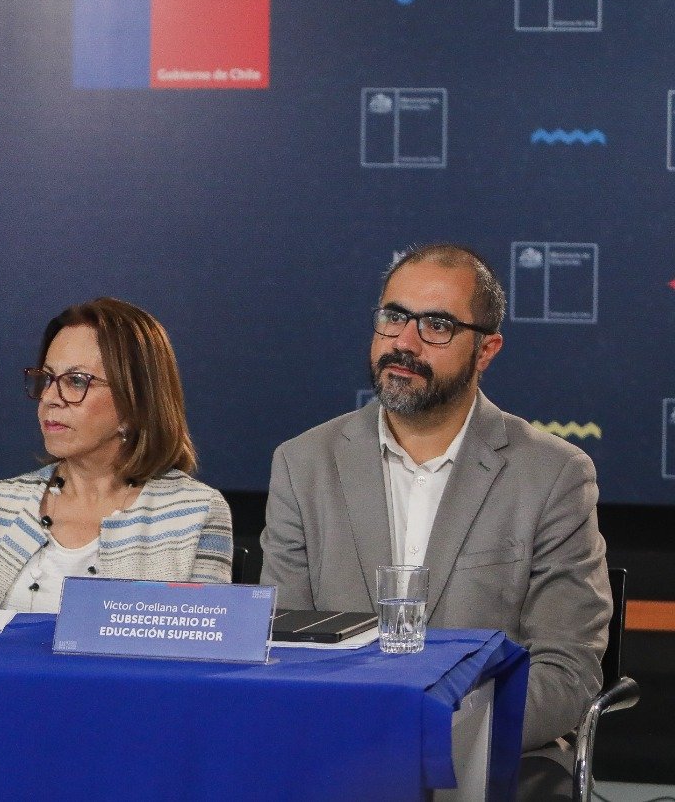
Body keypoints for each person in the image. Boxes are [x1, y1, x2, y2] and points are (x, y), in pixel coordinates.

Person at [260, 243, 610, 796]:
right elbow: (284, 648)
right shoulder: (303, 465)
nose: (405, 341)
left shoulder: (553, 476)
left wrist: (430, 736)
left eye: (437, 325)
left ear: (486, 349)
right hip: (338, 752)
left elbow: (566, 673)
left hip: (489, 758)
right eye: (394, 316)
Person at [0, 298, 233, 610]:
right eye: (47, 378)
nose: (49, 398)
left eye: (76, 381)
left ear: (135, 402)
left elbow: (203, 636)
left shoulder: (195, 512)